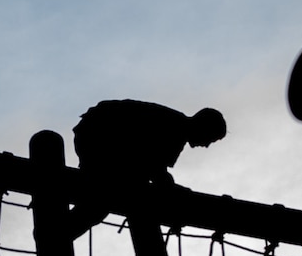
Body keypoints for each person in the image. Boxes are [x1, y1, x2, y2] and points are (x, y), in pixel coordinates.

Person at [67, 100, 226, 237]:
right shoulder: (175, 131)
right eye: (210, 139)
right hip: (98, 135)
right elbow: (157, 174)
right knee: (106, 199)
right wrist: (181, 198)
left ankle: (57, 233)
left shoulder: (176, 127)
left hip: (94, 132)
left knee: (102, 198)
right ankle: (57, 237)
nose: (206, 145)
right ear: (203, 127)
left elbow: (154, 171)